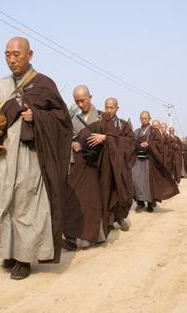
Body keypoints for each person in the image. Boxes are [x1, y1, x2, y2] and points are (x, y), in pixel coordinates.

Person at [0, 37, 72, 280]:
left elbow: (63, 120)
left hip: (30, 155)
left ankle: (23, 259)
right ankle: (8, 249)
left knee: (25, 207)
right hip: (3, 152)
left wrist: (38, 116)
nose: (12, 59)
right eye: (7, 54)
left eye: (17, 54)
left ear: (30, 54)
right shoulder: (1, 86)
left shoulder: (44, 84)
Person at [75, 97, 135, 234]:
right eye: (107, 107)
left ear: (117, 108)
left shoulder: (123, 125)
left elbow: (130, 143)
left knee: (122, 193)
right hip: (105, 166)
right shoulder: (100, 123)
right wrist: (79, 143)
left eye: (112, 107)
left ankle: (119, 218)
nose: (109, 110)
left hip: (119, 167)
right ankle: (106, 223)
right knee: (105, 193)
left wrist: (107, 138)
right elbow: (86, 133)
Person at [63, 85, 106, 251]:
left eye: (83, 100)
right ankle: (82, 236)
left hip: (100, 164)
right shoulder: (74, 120)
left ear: (90, 97)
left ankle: (97, 235)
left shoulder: (102, 117)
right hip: (81, 164)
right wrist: (73, 143)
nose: (80, 104)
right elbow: (70, 138)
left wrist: (104, 137)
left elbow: (117, 138)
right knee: (82, 201)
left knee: (96, 200)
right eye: (77, 102)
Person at [132, 112, 179, 213]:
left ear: (149, 118)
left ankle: (150, 204)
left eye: (145, 118)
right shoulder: (136, 131)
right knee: (137, 181)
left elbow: (159, 144)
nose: (143, 120)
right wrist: (139, 145)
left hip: (150, 161)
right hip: (138, 160)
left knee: (149, 182)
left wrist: (149, 143)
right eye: (142, 118)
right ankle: (140, 203)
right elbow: (133, 142)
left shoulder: (154, 131)